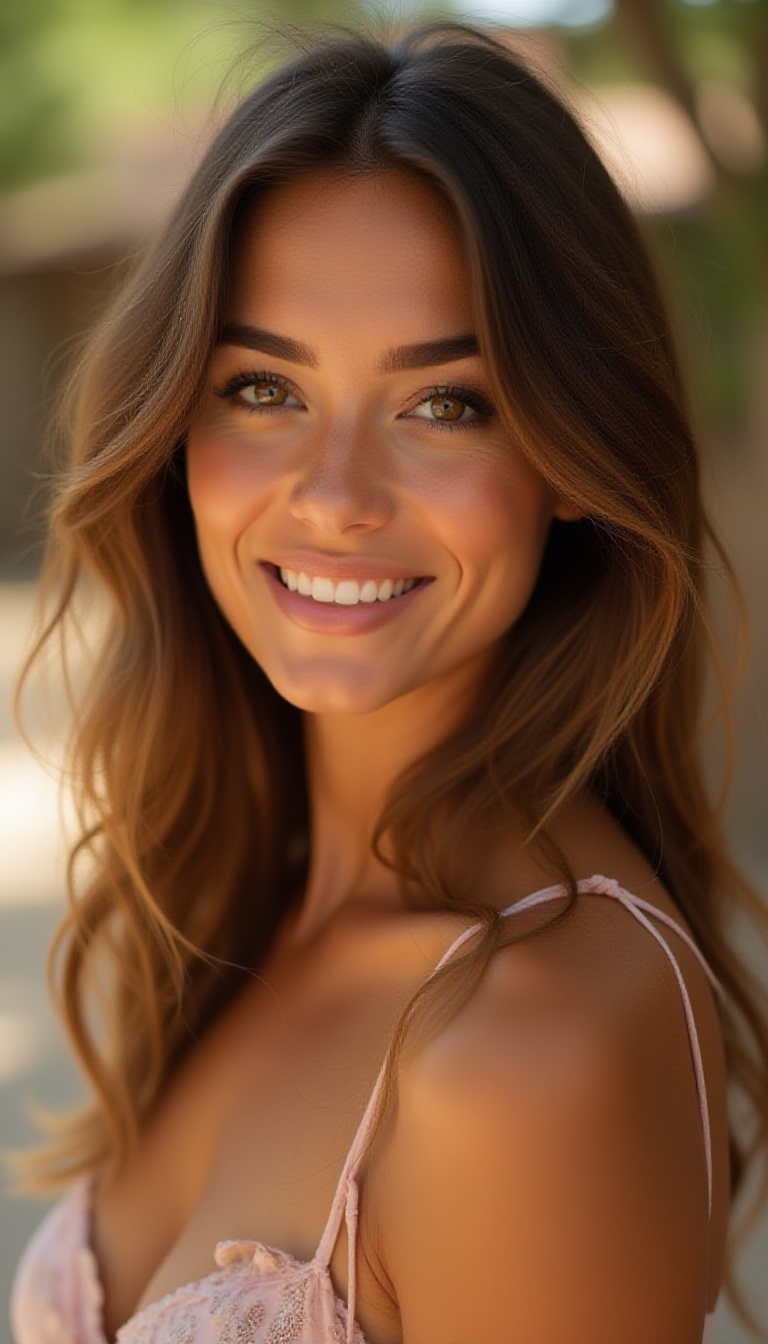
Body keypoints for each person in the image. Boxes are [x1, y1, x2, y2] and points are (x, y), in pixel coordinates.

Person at [8, 18, 768, 1344]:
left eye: (444, 404)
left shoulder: (527, 1051)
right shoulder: (243, 905)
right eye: (262, 387)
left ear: (574, 461)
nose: (337, 498)